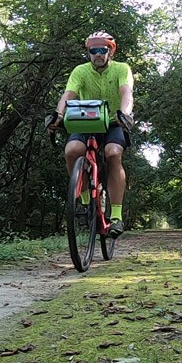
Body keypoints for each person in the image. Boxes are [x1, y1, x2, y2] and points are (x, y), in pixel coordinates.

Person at [51, 31, 135, 238]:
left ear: (110, 52)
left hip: (113, 122)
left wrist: (125, 113)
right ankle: (85, 200)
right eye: (93, 51)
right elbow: (68, 95)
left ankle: (116, 216)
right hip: (84, 122)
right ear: (88, 53)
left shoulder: (121, 69)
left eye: (102, 50)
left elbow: (126, 93)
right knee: (72, 151)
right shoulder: (80, 71)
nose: (98, 54)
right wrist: (58, 114)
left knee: (113, 153)